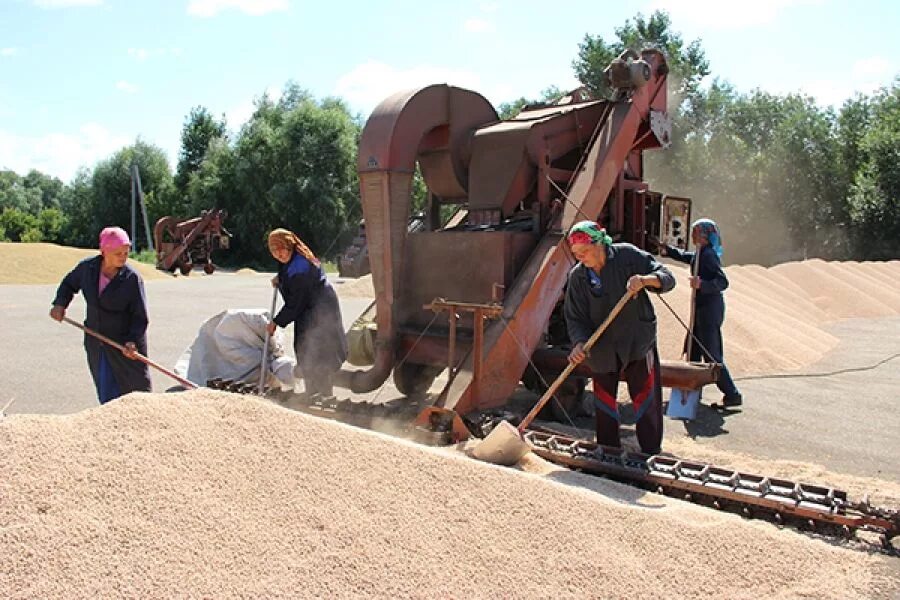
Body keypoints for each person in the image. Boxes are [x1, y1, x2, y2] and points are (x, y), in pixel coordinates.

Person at [564, 221, 676, 455]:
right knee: (604, 401)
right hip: (602, 346)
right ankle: (608, 452)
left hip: (636, 339)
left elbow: (666, 276)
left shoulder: (627, 256)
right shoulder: (578, 277)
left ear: (599, 244)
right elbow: (575, 317)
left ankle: (650, 451)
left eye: (583, 252)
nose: (580, 258)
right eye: (576, 254)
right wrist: (579, 343)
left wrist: (645, 280)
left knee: (645, 398)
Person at [49, 226, 152, 404]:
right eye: (117, 253)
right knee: (107, 389)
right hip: (97, 340)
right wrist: (60, 304)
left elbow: (139, 316)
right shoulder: (88, 269)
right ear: (103, 251)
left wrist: (132, 341)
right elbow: (69, 284)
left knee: (136, 392)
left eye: (126, 253)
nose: (123, 257)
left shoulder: (131, 279)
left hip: (125, 345)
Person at [659, 218, 742, 408]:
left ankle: (732, 394)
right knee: (693, 347)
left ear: (705, 235)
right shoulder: (700, 253)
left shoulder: (709, 255)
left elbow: (722, 282)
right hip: (701, 307)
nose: (693, 235)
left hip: (709, 309)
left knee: (711, 354)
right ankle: (691, 390)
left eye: (697, 232)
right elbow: (686, 256)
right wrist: (667, 250)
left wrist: (702, 284)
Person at [266, 228, 348, 397]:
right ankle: (313, 393)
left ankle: (323, 396)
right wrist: (280, 279)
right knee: (305, 349)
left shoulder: (301, 265)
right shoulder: (293, 259)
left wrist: (277, 321)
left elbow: (296, 302)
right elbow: (288, 274)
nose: (278, 254)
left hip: (320, 310)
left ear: (289, 245)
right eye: (273, 251)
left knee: (319, 351)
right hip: (309, 308)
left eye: (280, 249)